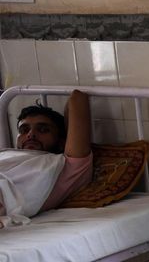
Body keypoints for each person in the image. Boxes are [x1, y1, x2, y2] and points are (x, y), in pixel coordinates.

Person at [0, 90, 93, 226]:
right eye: (24, 130)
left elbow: (77, 98)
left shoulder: (67, 166)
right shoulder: (6, 155)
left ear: (62, 142)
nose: (31, 134)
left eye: (43, 130)